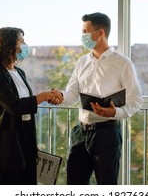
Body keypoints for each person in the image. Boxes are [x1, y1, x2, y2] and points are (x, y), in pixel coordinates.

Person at [53, 12, 143, 185]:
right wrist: (60, 96)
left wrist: (114, 111)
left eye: (85, 31)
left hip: (107, 134)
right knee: (74, 184)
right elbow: (72, 94)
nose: (82, 36)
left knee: (106, 185)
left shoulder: (123, 63)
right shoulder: (81, 62)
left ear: (100, 32)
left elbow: (136, 100)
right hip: (80, 133)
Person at [0, 27, 63, 185]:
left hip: (25, 137)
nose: (26, 44)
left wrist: (46, 98)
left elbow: (26, 105)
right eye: (22, 41)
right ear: (8, 45)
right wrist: (44, 96)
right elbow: (14, 106)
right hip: (8, 142)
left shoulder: (20, 72)